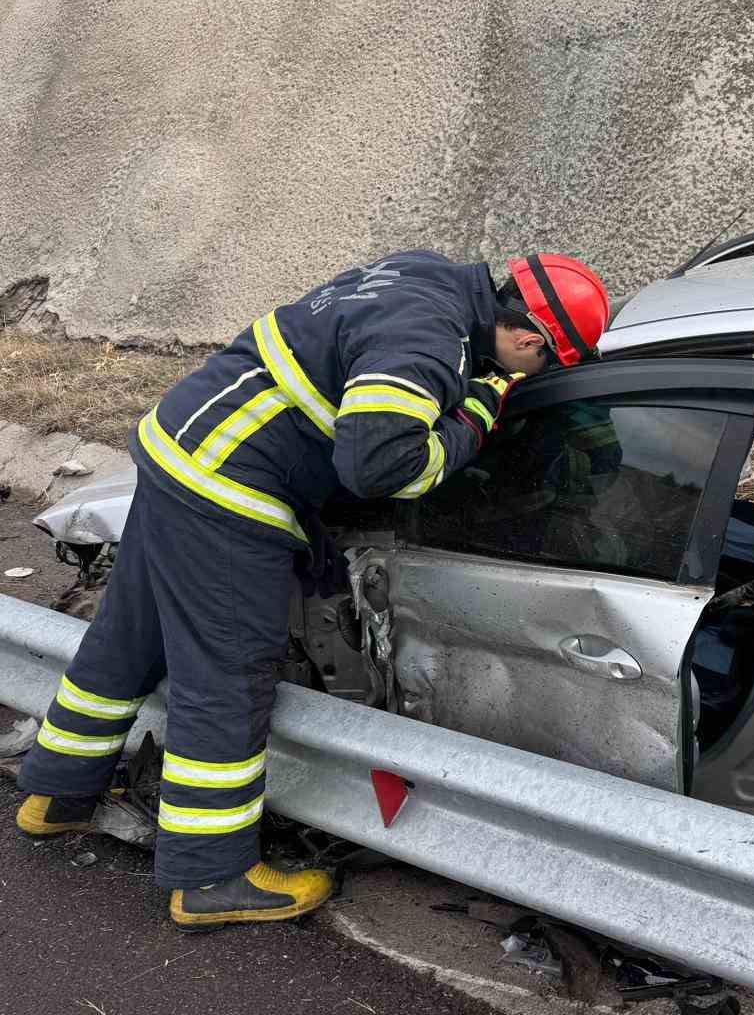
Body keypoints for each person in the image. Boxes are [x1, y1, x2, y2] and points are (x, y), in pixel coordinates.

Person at [16, 250, 609, 928]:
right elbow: (381, 466)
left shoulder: (427, 274)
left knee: (127, 641)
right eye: (546, 366)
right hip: (228, 491)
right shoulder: (427, 345)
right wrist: (473, 415)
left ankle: (56, 794)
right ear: (530, 340)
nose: (535, 375)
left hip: (181, 447)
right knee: (229, 676)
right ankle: (211, 877)